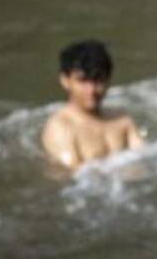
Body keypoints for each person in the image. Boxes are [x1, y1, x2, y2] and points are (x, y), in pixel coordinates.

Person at [41, 40, 145, 170]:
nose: (91, 90)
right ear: (65, 81)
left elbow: (144, 162)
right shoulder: (60, 129)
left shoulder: (122, 121)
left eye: (98, 80)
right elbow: (72, 177)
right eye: (82, 81)